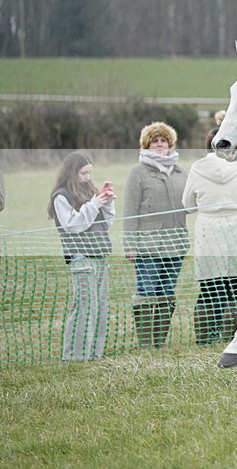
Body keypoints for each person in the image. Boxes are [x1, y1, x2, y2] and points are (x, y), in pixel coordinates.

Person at [182, 127, 237, 345]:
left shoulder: (197, 168)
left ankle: (205, 339)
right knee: (235, 289)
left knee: (208, 289)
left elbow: (187, 206)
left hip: (210, 229)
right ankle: (232, 337)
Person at [123, 122, 189, 349]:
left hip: (176, 244)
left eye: (163, 141)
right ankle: (145, 344)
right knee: (147, 292)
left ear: (170, 144)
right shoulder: (138, 172)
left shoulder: (181, 172)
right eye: (155, 141)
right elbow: (130, 210)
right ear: (147, 145)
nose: (160, 145)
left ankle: (159, 342)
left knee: (167, 293)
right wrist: (129, 244)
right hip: (147, 245)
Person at [47, 152, 115, 361]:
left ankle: (94, 355)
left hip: (100, 256)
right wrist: (94, 205)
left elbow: (106, 223)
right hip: (81, 258)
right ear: (72, 172)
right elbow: (73, 226)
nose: (87, 177)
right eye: (84, 173)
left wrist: (107, 203)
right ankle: (75, 357)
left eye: (90, 172)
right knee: (85, 308)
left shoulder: (90, 191)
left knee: (101, 308)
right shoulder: (61, 196)